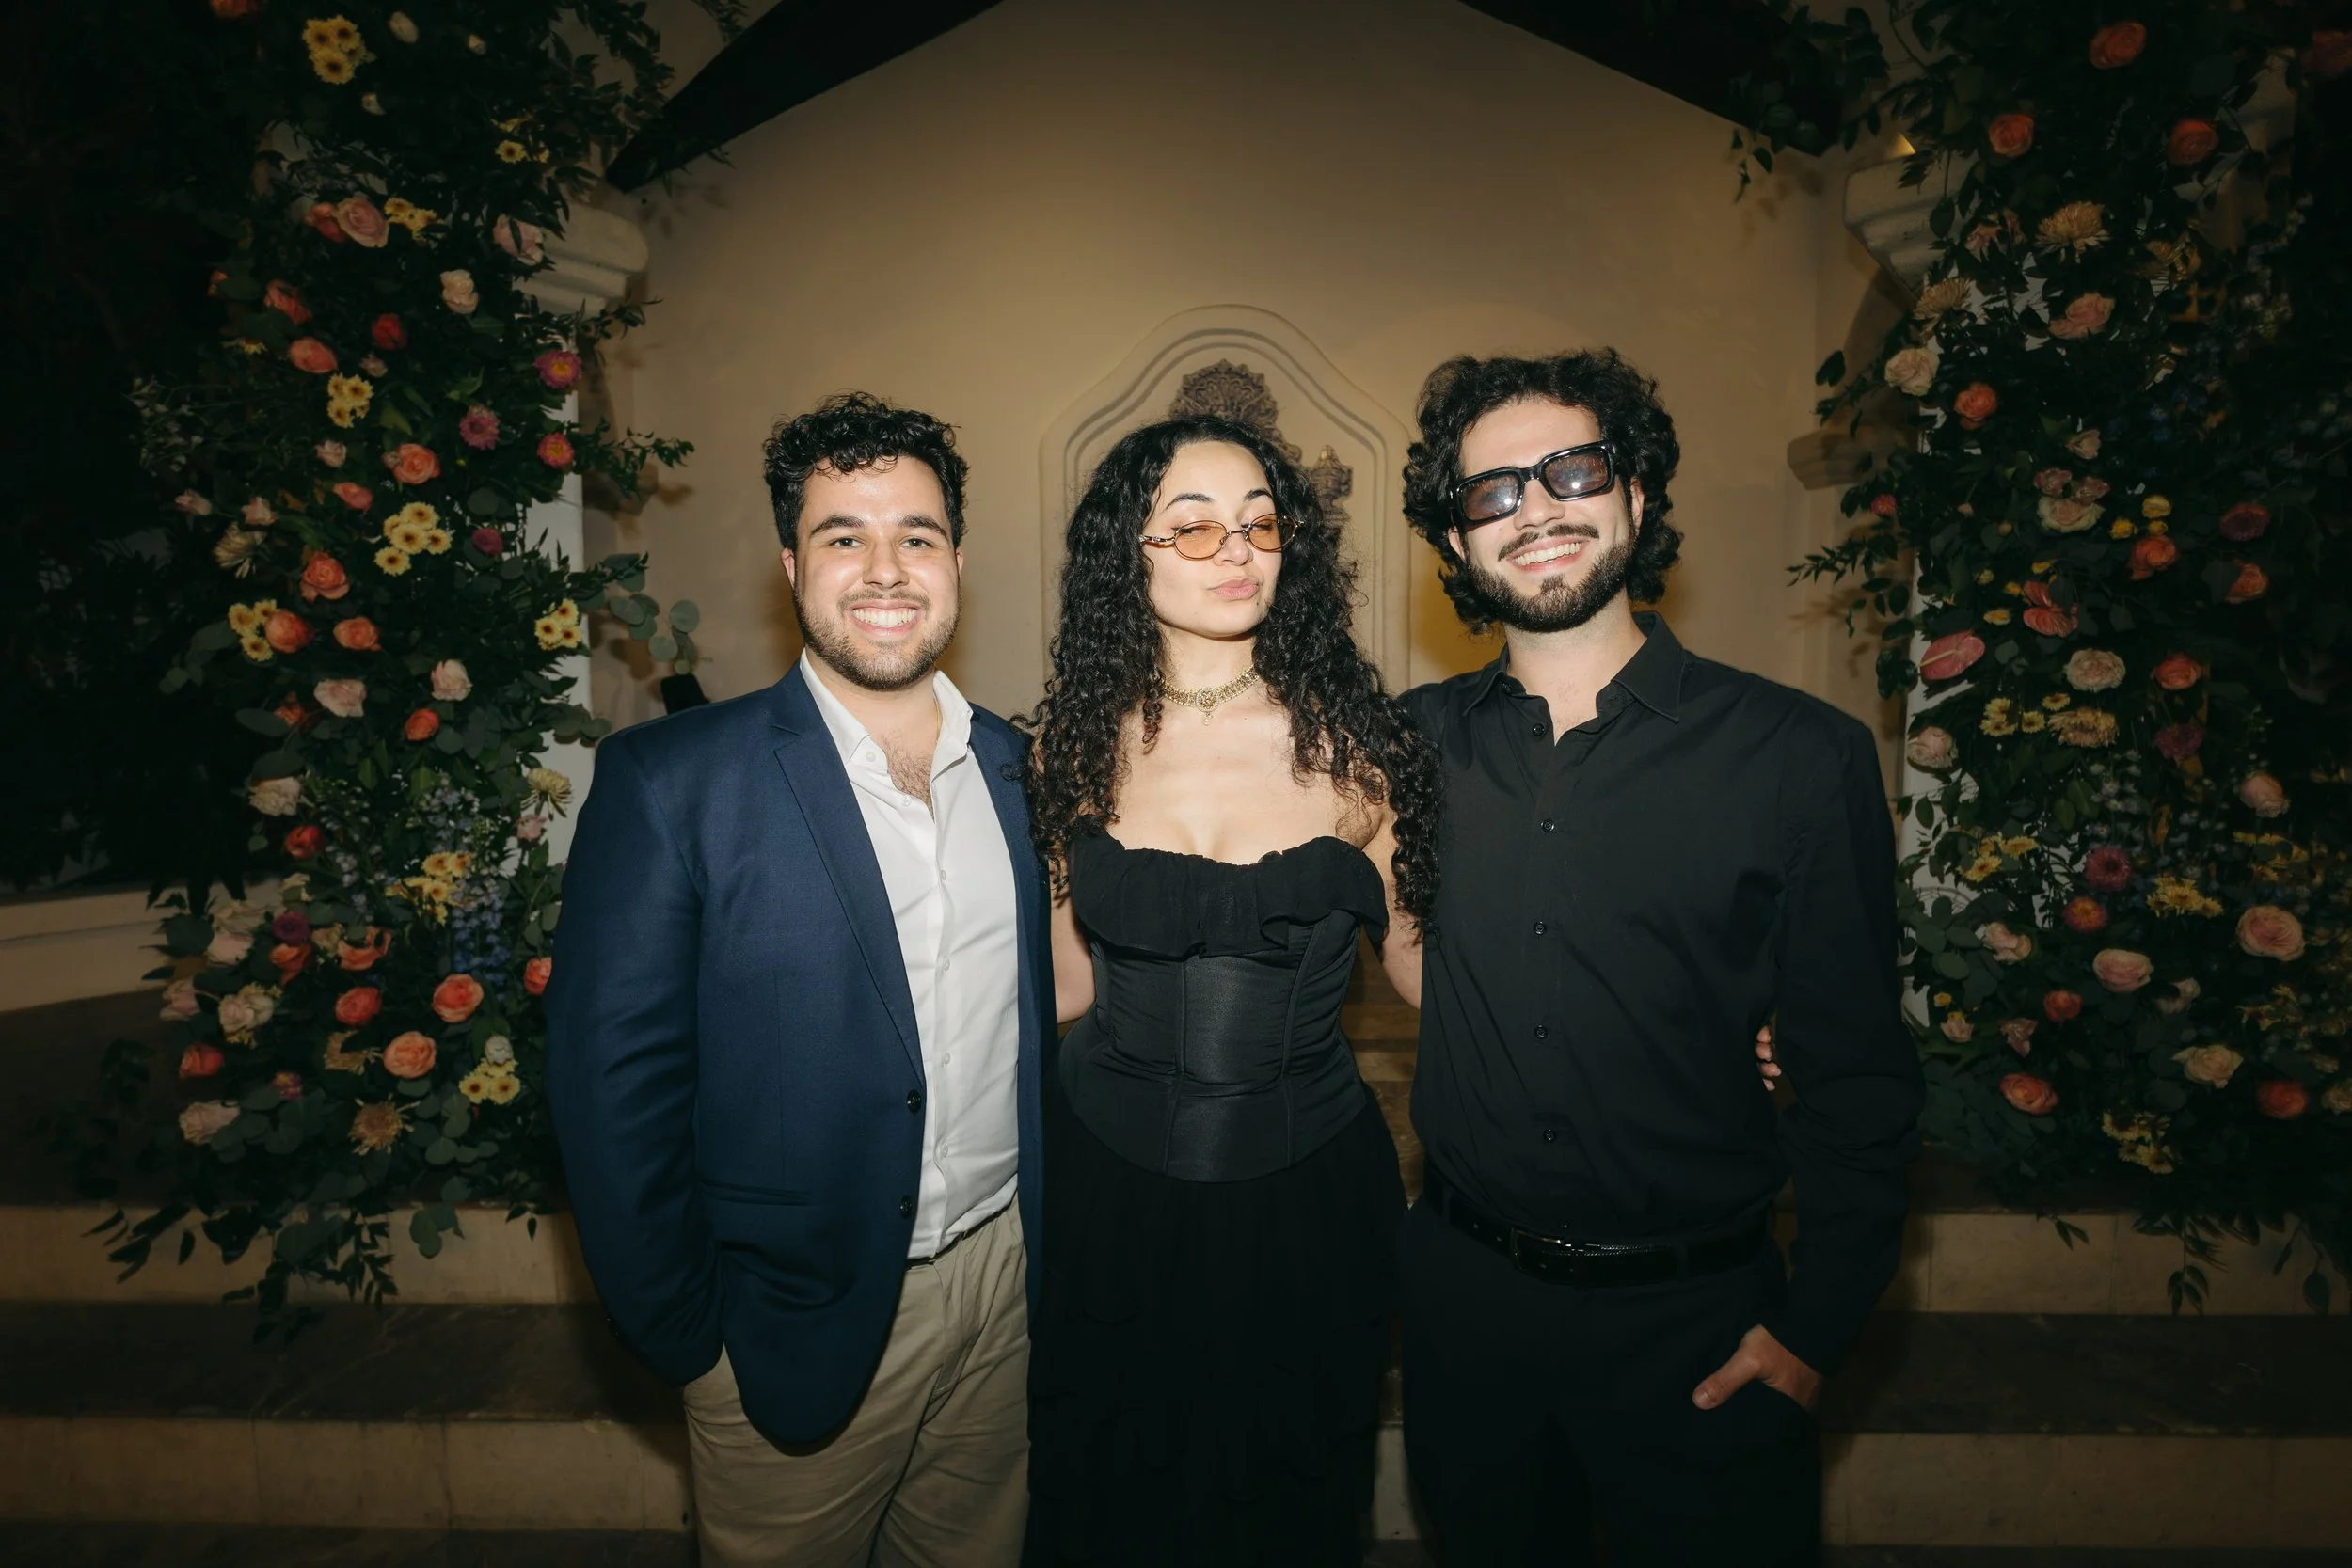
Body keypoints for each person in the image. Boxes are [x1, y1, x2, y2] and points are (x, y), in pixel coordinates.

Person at [1393, 350, 1925, 1565]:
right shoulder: (1406, 747)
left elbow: (1857, 1075)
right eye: (1492, 491)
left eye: (1571, 470)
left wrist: (1816, 1324)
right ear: (1459, 541)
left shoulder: (1801, 755)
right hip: (1468, 1318)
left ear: (1633, 493)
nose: (1536, 508)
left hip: (1699, 1325)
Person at [547, 393, 1051, 1568]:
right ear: (790, 564)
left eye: (917, 535)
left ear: (957, 561)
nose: (886, 569)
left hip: (1005, 1290)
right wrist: (691, 1338)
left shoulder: (1021, 770)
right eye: (843, 535)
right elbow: (610, 1089)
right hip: (791, 1319)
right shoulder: (671, 781)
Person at [1020, 415, 1441, 1566]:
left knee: (1288, 1503)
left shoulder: (1363, 746)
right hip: (1105, 1192)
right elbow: (1061, 984)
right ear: (1129, 551)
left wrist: (1666, 1015)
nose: (1238, 547)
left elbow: (1429, 973)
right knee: (1108, 1499)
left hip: (1307, 1200)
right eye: (1194, 525)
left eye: (1260, 521)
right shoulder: (1066, 745)